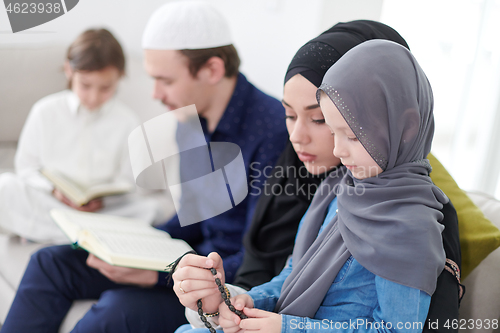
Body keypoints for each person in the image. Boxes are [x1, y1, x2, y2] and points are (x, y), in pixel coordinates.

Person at [0, 2, 288, 333]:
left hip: (217, 284)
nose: (155, 94)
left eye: (164, 80)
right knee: (50, 262)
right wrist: (136, 245)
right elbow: (193, 215)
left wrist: (158, 274)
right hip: (186, 261)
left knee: (116, 310)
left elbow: (260, 261)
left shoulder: (273, 131)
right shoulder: (187, 120)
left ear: (212, 69)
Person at [174, 21, 461, 333]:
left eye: (350, 135)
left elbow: (397, 329)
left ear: (402, 128)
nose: (338, 150)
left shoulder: (409, 221)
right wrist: (243, 301)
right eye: (334, 132)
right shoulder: (338, 188)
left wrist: (288, 327)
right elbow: (293, 274)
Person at [0, 28, 158, 243]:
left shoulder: (127, 121)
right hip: (52, 204)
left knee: (151, 209)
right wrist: (54, 192)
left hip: (102, 211)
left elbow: (128, 181)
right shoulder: (45, 111)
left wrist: (102, 201)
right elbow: (26, 168)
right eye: (85, 85)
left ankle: (65, 234)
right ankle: (87, 237)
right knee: (5, 187)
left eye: (105, 88)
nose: (93, 97)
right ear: (68, 70)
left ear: (119, 78)